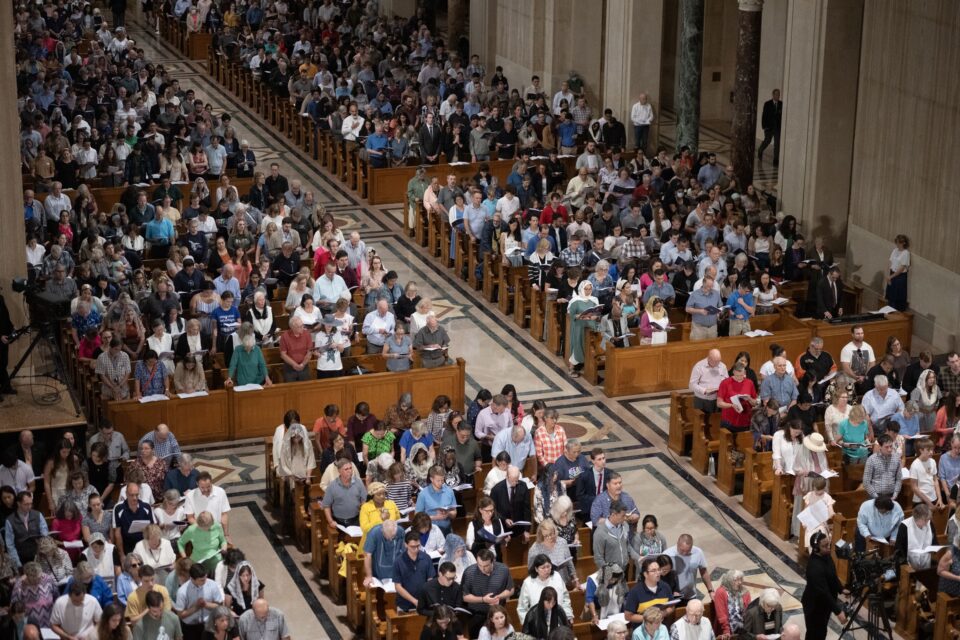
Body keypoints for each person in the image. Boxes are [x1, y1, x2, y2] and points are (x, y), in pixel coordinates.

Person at [803, 531, 847, 640]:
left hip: (824, 604)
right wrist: (838, 612)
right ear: (816, 549)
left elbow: (832, 575)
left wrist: (841, 589)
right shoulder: (814, 568)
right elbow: (824, 593)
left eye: (829, 544)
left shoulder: (826, 555)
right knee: (815, 634)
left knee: (822, 631)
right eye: (825, 546)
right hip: (815, 606)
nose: (829, 548)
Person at [460, 549, 515, 637]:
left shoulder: (503, 569)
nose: (482, 568)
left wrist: (498, 597)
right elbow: (465, 596)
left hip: (498, 615)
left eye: (486, 565)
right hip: (476, 615)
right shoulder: (469, 572)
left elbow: (510, 589)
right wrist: (483, 599)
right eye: (480, 565)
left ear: (493, 561)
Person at [176, 563, 225, 640]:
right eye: (202, 580)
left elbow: (219, 605)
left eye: (205, 577)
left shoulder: (212, 585)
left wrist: (206, 604)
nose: (205, 581)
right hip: (190, 627)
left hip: (208, 625)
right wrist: (196, 607)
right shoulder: (182, 591)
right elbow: (180, 614)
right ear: (192, 579)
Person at [664, 534, 715, 599]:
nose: (684, 553)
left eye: (688, 551)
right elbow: (662, 577)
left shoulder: (698, 552)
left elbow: (704, 572)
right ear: (677, 544)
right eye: (682, 550)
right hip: (672, 597)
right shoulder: (667, 554)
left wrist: (711, 590)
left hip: (691, 596)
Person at [490, 466, 532, 540]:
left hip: (519, 529)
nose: (515, 483)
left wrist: (527, 530)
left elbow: (527, 509)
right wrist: (504, 519)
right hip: (503, 529)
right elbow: (493, 511)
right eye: (513, 480)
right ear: (507, 476)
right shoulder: (496, 490)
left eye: (517, 480)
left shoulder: (523, 486)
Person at [322, 459, 366, 528]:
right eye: (346, 469)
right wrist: (330, 521)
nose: (350, 471)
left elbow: (364, 501)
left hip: (356, 520)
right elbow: (326, 506)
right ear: (339, 471)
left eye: (351, 468)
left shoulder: (358, 482)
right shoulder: (332, 486)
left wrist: (363, 516)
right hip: (338, 522)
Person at [185, 473, 232, 537]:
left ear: (211, 482)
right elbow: (190, 517)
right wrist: (203, 529)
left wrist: (226, 534)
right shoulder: (190, 496)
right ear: (197, 484)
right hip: (199, 532)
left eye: (208, 486)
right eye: (202, 487)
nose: (206, 490)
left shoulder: (221, 492)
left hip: (217, 531)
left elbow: (224, 515)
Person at [415, 466, 457, 535]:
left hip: (447, 530)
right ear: (431, 479)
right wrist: (435, 517)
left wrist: (448, 514)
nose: (441, 483)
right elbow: (417, 517)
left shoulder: (449, 491)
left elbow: (454, 513)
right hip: (430, 531)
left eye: (442, 480)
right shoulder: (423, 494)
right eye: (438, 480)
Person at [363, 519, 406, 585]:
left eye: (393, 537)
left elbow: (404, 552)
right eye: (388, 538)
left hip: (395, 572)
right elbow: (367, 555)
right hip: (378, 572)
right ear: (382, 531)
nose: (391, 539)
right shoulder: (374, 533)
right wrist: (369, 576)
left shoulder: (400, 531)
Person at [689, 350, 728, 416]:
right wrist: (704, 390)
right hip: (702, 400)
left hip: (718, 399)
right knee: (702, 422)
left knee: (715, 421)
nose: (718, 364)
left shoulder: (722, 366)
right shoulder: (699, 366)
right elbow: (691, 385)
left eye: (719, 361)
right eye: (715, 362)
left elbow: (726, 381)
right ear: (709, 358)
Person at [863, 434, 903, 499]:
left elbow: (899, 479)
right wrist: (876, 496)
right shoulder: (871, 459)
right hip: (875, 496)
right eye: (886, 447)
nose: (889, 449)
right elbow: (866, 482)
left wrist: (895, 494)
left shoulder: (896, 458)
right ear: (880, 447)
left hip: (891, 495)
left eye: (891, 446)